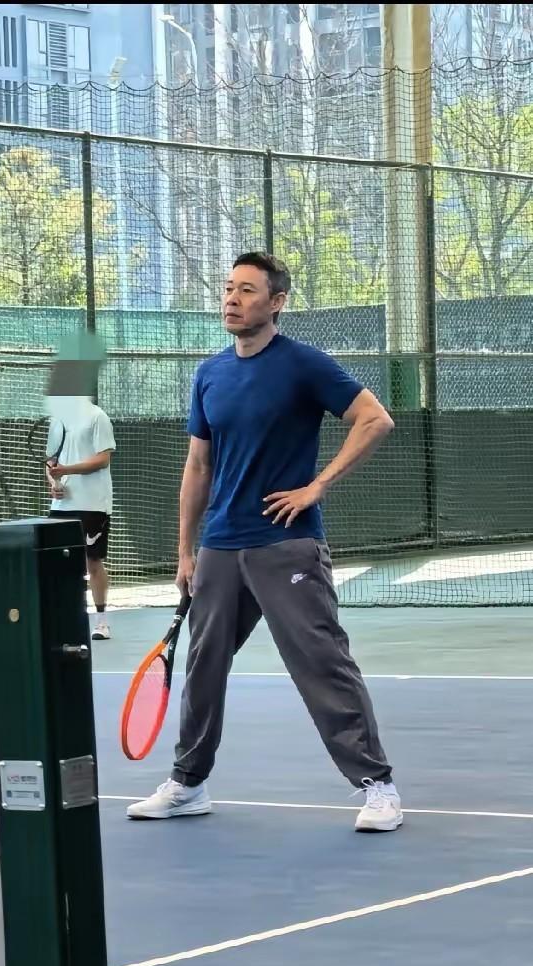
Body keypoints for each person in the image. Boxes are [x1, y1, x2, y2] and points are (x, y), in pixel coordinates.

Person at [127, 252, 402, 832]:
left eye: (247, 290)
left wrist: (317, 485)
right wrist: (186, 551)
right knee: (203, 666)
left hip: (287, 544)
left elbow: (375, 419)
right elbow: (198, 466)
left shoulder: (304, 364)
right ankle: (188, 782)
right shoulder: (210, 374)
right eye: (229, 288)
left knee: (321, 663)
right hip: (220, 548)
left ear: (276, 302)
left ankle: (377, 786)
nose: (232, 299)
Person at [46, 394, 116, 641]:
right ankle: (65, 619)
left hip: (93, 504)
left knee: (92, 561)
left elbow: (103, 459)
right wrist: (53, 483)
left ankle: (101, 622)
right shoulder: (57, 421)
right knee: (58, 564)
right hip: (61, 505)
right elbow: (51, 462)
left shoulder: (97, 417)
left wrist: (67, 470)